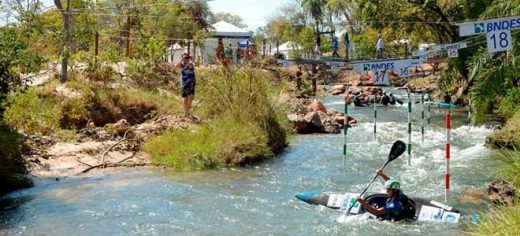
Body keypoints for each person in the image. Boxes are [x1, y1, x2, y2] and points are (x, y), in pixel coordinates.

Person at [176, 53, 197, 118]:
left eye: (187, 58)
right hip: (184, 83)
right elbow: (176, 66)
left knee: (192, 97)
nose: (186, 59)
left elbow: (197, 65)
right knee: (185, 98)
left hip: (192, 82)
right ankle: (186, 113)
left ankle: (187, 109)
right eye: (185, 58)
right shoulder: (181, 64)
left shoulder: (191, 64)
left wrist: (192, 59)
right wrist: (182, 59)